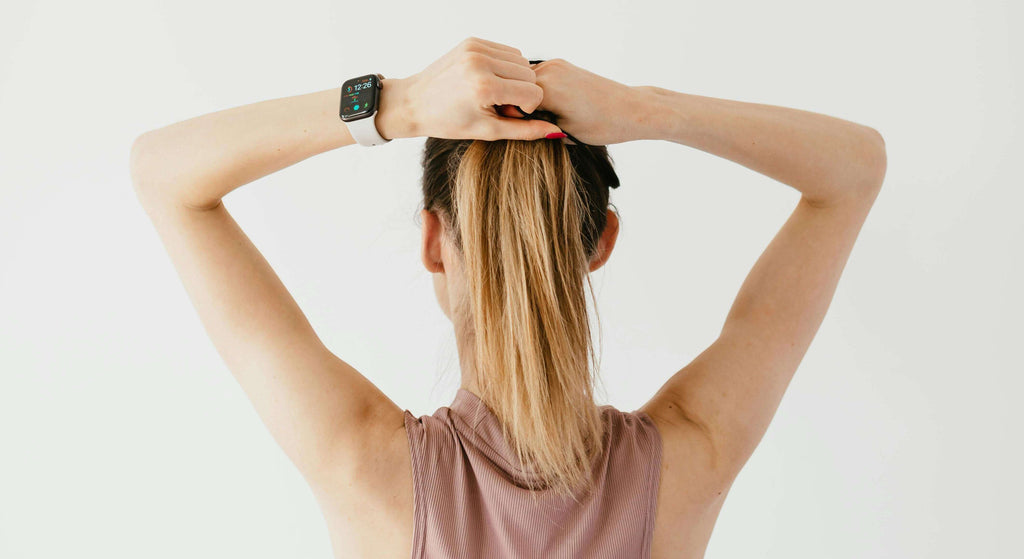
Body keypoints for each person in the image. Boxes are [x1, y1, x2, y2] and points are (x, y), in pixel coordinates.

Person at [129, 37, 887, 559]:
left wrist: (398, 105)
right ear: (600, 242)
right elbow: (853, 169)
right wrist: (648, 110)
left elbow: (164, 174)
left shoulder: (364, 464)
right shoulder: (691, 453)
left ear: (433, 241)